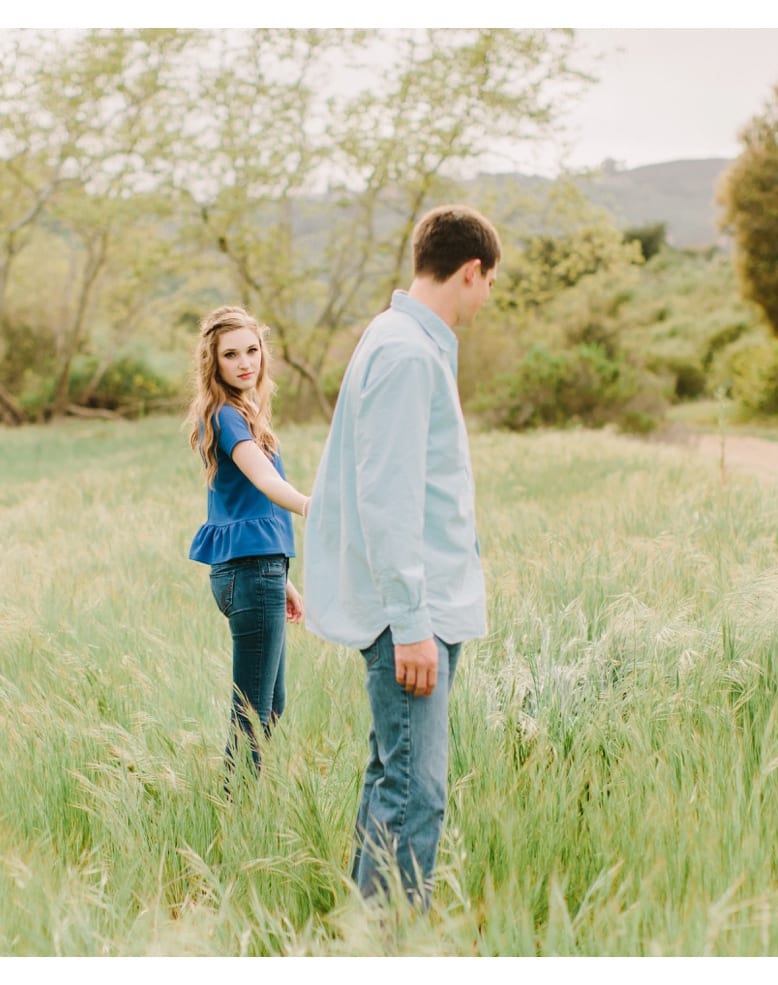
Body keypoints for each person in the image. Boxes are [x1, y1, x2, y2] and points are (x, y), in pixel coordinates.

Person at [303, 204, 499, 910]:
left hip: (424, 606)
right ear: (470, 271)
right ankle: (389, 945)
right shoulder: (407, 352)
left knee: (394, 778)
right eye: (487, 285)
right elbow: (385, 497)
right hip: (413, 616)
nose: (485, 300)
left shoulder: (399, 341)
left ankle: (365, 937)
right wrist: (412, 621)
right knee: (417, 794)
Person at [187, 305, 310, 778]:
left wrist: (284, 578)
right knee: (252, 718)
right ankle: (233, 814)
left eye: (252, 351)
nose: (245, 363)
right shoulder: (225, 417)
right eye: (231, 354)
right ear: (213, 363)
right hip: (248, 574)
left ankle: (240, 804)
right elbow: (261, 480)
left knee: (268, 706)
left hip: (259, 571)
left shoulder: (244, 411)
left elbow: (250, 508)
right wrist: (309, 505)